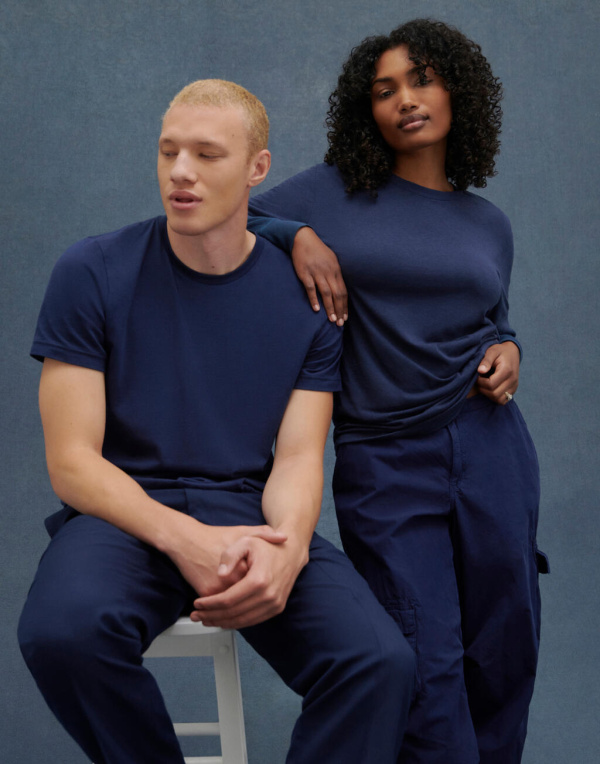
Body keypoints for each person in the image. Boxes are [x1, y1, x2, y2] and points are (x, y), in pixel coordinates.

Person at [18, 79, 416, 764]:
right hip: (122, 516)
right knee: (62, 633)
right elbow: (72, 463)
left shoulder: (308, 301)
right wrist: (186, 540)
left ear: (258, 168)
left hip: (246, 516)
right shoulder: (91, 270)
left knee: (378, 662)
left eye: (207, 154)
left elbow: (298, 457)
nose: (180, 172)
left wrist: (288, 550)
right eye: (168, 151)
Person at [246, 19, 549, 764]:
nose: (405, 100)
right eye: (385, 91)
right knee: (424, 660)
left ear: (457, 92)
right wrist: (295, 234)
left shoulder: (488, 223)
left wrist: (511, 347)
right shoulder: (333, 192)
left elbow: (493, 317)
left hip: (491, 447)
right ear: (367, 111)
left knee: (507, 647)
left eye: (422, 80)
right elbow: (230, 213)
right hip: (387, 459)